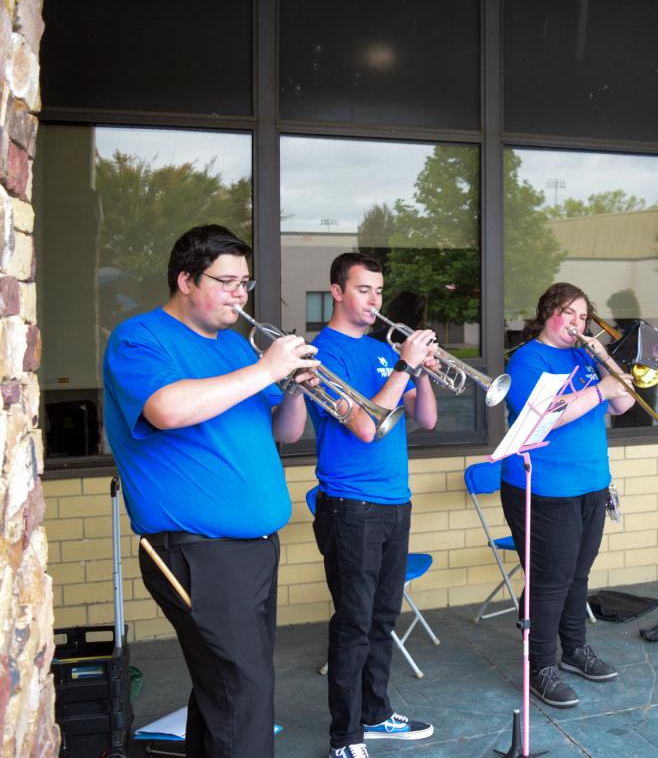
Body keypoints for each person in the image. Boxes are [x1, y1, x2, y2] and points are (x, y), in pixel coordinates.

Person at [104, 224, 318, 757]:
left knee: (223, 692)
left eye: (245, 283)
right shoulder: (140, 338)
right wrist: (268, 368)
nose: (240, 295)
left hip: (252, 550)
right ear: (185, 279)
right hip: (198, 550)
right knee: (244, 695)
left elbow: (284, 433)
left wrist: (293, 390)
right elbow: (167, 409)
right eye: (226, 282)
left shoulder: (234, 349)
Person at [307, 253, 439, 757]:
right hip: (351, 505)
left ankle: (377, 713)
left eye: (379, 292)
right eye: (363, 290)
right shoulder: (322, 354)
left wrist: (421, 372)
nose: (374, 301)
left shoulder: (383, 352)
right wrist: (404, 365)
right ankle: (345, 737)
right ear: (337, 291)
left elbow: (425, 419)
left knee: (383, 618)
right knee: (353, 623)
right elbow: (364, 427)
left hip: (394, 501)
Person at [500, 282, 636, 708]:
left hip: (592, 481)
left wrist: (604, 361)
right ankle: (540, 666)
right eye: (567, 314)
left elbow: (624, 406)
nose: (576, 324)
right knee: (549, 580)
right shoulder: (528, 358)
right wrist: (599, 389)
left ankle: (574, 649)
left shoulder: (586, 356)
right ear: (546, 315)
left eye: (583, 316)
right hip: (543, 486)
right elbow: (545, 419)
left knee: (578, 574)